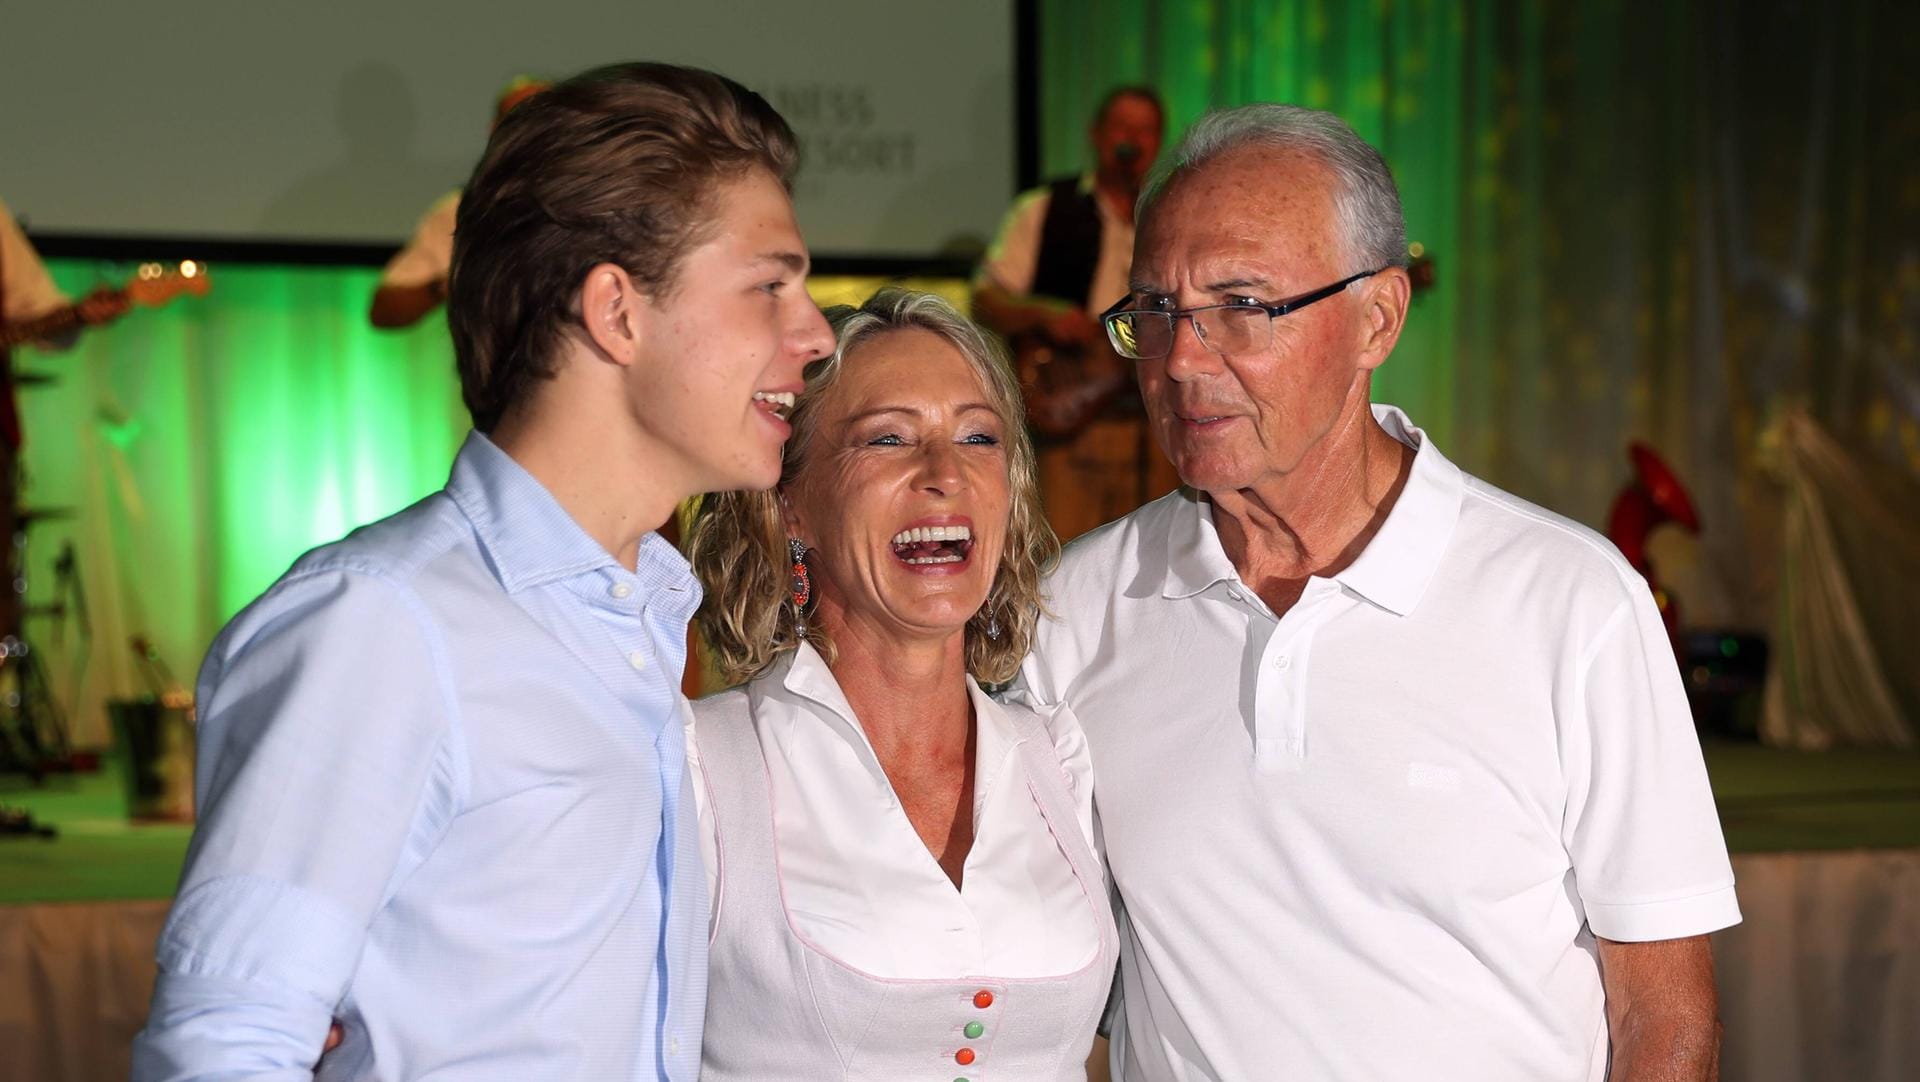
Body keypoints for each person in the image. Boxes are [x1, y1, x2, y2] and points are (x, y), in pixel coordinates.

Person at [132, 62, 833, 1080]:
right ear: (618, 312)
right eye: (771, 284)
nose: (812, 334)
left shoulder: (644, 619)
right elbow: (222, 1050)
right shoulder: (383, 624)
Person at [1020, 104, 1741, 1081]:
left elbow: (1665, 1017)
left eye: (1241, 304)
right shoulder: (1079, 606)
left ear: (1378, 319)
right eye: (1155, 310)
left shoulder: (1571, 603)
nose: (1182, 361)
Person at [685, 288, 1116, 1081]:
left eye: (979, 437)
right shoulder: (698, 769)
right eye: (888, 438)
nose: (944, 473)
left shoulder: (1058, 756)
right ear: (789, 506)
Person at [973, 87, 1179, 541]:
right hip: (1073, 421)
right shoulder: (1046, 208)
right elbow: (986, 298)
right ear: (1097, 134)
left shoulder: (1174, 213)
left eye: (1145, 130)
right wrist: (1043, 313)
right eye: (1122, 127)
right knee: (1060, 555)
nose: (1133, 139)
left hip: (1158, 424)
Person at [366, 76, 547, 330]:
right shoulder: (464, 210)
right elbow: (385, 310)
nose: (530, 132)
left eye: (544, 121)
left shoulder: (603, 200)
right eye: (518, 121)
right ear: (495, 130)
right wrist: (454, 282)